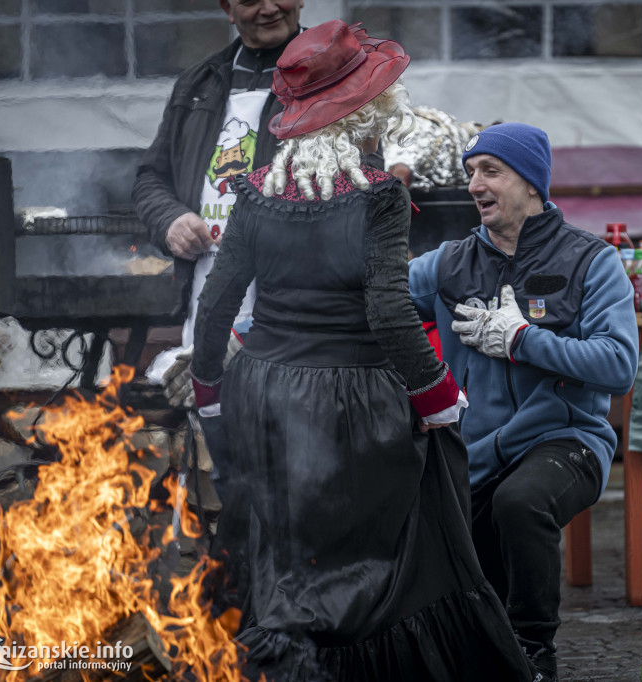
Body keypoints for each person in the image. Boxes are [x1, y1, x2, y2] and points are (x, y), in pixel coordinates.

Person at [188, 20, 534, 682]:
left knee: (282, 548)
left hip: (262, 388)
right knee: (388, 546)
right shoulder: (378, 196)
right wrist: (439, 401)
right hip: (349, 399)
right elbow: (386, 309)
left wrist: (211, 398)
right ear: (366, 116)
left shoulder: (254, 191)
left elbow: (217, 305)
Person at [408, 122, 639, 682]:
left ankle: (536, 655)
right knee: (440, 549)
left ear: (532, 183)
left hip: (567, 442)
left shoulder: (591, 261)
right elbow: (374, 302)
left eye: (491, 171)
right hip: (473, 452)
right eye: (470, 173)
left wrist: (522, 340)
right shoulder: (447, 264)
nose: (474, 184)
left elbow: (619, 364)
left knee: (521, 503)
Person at [133, 0, 306, 405]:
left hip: (294, 322)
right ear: (228, 9)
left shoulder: (333, 79)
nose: (268, 8)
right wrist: (171, 219)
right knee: (211, 448)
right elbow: (151, 177)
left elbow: (364, 182)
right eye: (249, 0)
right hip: (206, 298)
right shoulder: (199, 83)